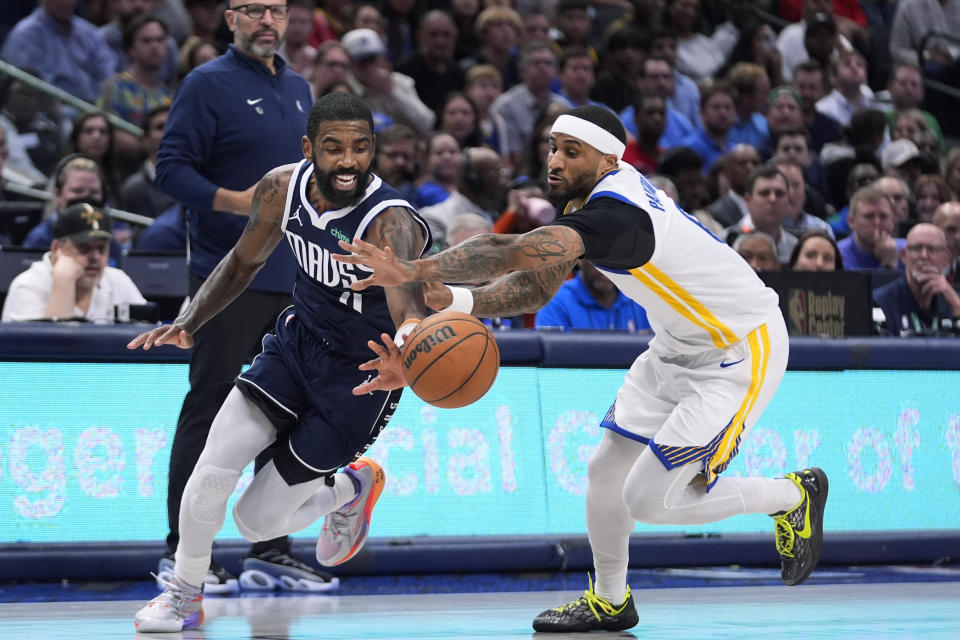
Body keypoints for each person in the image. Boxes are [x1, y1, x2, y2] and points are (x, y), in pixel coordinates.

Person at [334, 104, 829, 632]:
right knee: (605, 473)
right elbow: (539, 284)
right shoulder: (587, 202)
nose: (555, 160)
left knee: (651, 499)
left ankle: (793, 494)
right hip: (674, 346)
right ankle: (610, 600)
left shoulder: (621, 216)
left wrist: (417, 268)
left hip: (739, 348)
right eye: (553, 147)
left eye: (572, 152)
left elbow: (516, 251)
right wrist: (456, 301)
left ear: (609, 159)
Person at [130, 92, 433, 633]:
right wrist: (190, 320)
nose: (348, 161)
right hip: (296, 347)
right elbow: (244, 261)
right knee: (211, 472)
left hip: (362, 375)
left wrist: (409, 356)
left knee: (254, 523)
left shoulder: (390, 222)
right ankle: (184, 594)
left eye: (360, 148)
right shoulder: (281, 187)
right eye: (334, 147)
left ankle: (350, 488)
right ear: (307, 147)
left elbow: (409, 307)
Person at [153, 0, 327, 594]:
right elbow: (170, 170)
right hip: (227, 277)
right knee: (208, 410)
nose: (266, 21)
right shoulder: (206, 84)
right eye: (253, 10)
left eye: (275, 10)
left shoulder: (303, 88)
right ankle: (181, 551)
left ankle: (270, 547)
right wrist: (241, 202)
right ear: (229, 19)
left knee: (286, 415)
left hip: (298, 278)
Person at [2, 202, 146, 322]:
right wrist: (64, 281)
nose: (95, 257)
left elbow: (153, 342)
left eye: (101, 249)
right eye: (84, 248)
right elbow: (50, 351)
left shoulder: (118, 281)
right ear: (57, 248)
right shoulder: (29, 286)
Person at [873, 223, 960, 335]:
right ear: (904, 256)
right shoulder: (879, 302)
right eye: (916, 248)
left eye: (932, 249)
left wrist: (956, 305)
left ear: (946, 258)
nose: (923, 256)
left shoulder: (955, 301)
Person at [535, 260, 651, 331]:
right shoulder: (556, 302)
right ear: (579, 259)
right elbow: (551, 365)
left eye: (615, 258)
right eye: (600, 257)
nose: (607, 267)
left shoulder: (642, 298)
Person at [837, 185, 905, 269]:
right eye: (869, 216)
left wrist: (890, 263)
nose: (877, 223)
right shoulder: (838, 255)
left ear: (893, 220)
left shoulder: (907, 251)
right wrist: (888, 267)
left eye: (883, 216)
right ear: (851, 221)